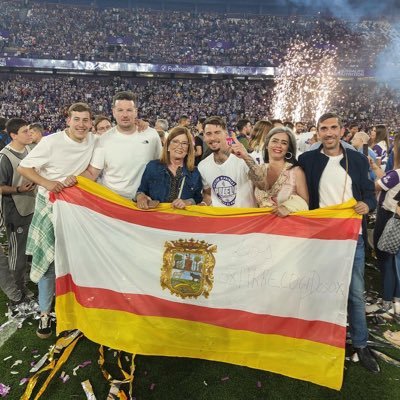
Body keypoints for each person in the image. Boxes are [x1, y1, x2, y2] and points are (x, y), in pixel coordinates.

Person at [298, 112, 379, 373]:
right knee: (319, 290)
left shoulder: (356, 159)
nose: (329, 133)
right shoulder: (307, 159)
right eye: (324, 128)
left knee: (355, 293)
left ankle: (361, 344)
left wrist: (369, 204)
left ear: (341, 130)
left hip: (351, 238)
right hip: (320, 239)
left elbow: (370, 194)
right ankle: (320, 340)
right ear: (318, 132)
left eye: (334, 128)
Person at [18, 102, 96, 339]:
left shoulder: (94, 140)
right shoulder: (51, 142)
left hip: (77, 211)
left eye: (85, 120)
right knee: (49, 262)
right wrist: (49, 183)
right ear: (68, 120)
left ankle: (75, 311)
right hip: (50, 207)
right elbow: (24, 167)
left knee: (75, 262)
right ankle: (44, 313)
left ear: (91, 122)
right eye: (77, 119)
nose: (81, 124)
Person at [82, 91, 162, 199]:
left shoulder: (151, 135)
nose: (125, 115)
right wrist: (68, 180)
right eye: (120, 110)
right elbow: (92, 173)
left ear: (136, 112)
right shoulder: (103, 140)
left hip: (143, 202)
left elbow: (161, 165)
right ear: (114, 112)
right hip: (113, 202)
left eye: (129, 110)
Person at [0, 118, 36, 314]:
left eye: (29, 130)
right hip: (15, 211)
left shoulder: (30, 150)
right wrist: (19, 188)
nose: (29, 133)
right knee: (17, 254)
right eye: (25, 131)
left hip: (31, 206)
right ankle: (18, 292)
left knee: (26, 251)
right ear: (13, 135)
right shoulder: (4, 157)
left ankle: (22, 284)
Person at [232, 127, 309, 216]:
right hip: (261, 227)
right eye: (275, 141)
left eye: (284, 143)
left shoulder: (296, 171)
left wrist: (288, 207)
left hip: (288, 227)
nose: (278, 145)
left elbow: (306, 202)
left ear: (288, 148)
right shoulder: (258, 169)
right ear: (267, 145)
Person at [370, 134, 400, 318]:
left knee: (386, 259)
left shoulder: (397, 174)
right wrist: (374, 167)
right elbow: (388, 181)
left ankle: (387, 302)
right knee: (397, 259)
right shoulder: (395, 175)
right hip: (396, 215)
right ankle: (397, 300)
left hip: (389, 217)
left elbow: (377, 186)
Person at [136, 126, 202, 209]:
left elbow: (198, 198)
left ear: (188, 149)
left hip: (182, 219)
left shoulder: (194, 172)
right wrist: (141, 197)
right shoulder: (152, 167)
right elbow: (141, 191)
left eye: (184, 143)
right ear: (167, 145)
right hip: (155, 219)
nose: (180, 146)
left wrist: (188, 202)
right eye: (175, 141)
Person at [198, 116, 256, 207]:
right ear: (204, 137)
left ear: (226, 134)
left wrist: (246, 157)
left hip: (245, 218)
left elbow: (263, 184)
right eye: (208, 133)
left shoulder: (243, 158)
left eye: (217, 132)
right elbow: (208, 194)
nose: (213, 138)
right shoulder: (202, 166)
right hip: (221, 219)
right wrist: (203, 204)